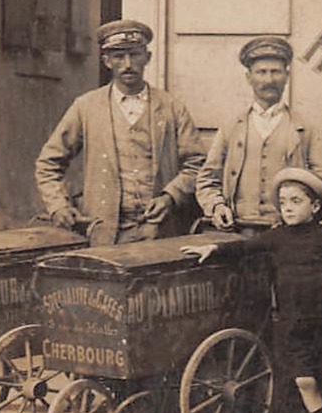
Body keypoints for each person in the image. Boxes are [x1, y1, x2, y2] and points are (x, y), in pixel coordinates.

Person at [183, 168, 322, 413]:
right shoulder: (276, 238)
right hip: (292, 323)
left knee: (320, 379)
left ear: (314, 207)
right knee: (304, 380)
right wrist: (213, 248)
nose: (287, 207)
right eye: (283, 201)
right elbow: (245, 248)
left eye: (296, 201)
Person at [34, 19, 203, 245]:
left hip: (160, 231)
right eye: (118, 57)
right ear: (106, 61)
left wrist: (170, 197)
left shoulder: (171, 107)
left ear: (148, 58)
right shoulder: (87, 107)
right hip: (103, 232)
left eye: (134, 55)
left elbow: (197, 163)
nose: (127, 64)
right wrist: (58, 206)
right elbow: (48, 163)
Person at [196, 36, 322, 233]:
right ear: (249, 78)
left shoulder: (305, 128)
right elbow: (207, 179)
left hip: (287, 236)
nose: (269, 80)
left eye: (276, 72)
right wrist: (217, 206)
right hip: (238, 233)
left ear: (287, 76)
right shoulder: (231, 126)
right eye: (261, 72)